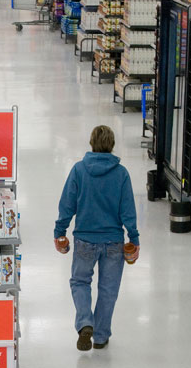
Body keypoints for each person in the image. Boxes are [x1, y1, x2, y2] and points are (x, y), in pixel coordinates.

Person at [54, 125, 140, 351]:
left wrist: (59, 232)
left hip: (85, 240)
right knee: (108, 289)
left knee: (80, 282)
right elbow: (128, 211)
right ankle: (101, 337)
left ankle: (85, 323)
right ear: (112, 145)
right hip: (113, 241)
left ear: (91, 143)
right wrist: (134, 238)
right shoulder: (121, 173)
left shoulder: (79, 170)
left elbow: (67, 204)